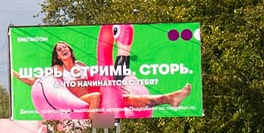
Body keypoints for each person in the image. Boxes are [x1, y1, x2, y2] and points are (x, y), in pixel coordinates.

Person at [12, 41, 193, 112]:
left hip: (96, 98)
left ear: (70, 50)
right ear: (58, 56)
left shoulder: (80, 65)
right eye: (59, 49)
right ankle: (95, 126)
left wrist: (114, 87)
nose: (63, 49)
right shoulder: (57, 68)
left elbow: (99, 77)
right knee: (96, 96)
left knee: (127, 98)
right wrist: (16, 74)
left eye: (65, 47)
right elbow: (35, 81)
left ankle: (169, 98)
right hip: (81, 102)